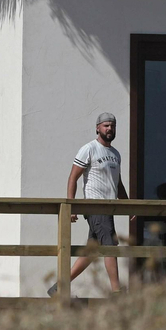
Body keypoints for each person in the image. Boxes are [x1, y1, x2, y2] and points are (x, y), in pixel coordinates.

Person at [50, 112, 125, 296]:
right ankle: (116, 292)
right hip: (95, 206)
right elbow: (73, 177)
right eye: (106, 125)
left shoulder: (115, 154)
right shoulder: (89, 149)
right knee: (110, 247)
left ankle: (59, 287)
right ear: (98, 128)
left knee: (91, 252)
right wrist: (72, 205)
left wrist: (129, 205)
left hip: (109, 208)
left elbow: (118, 183)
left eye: (112, 126)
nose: (109, 129)